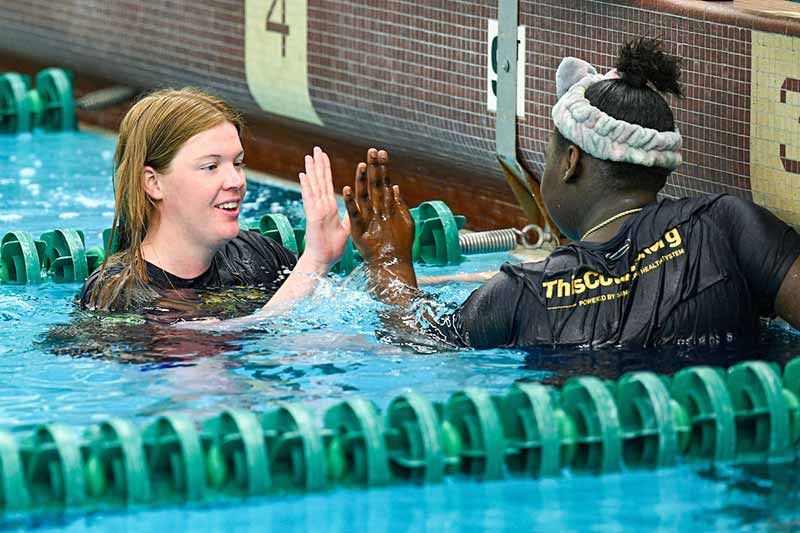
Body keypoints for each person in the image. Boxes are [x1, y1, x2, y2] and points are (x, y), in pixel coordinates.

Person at [344, 38, 800, 349]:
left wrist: (390, 263)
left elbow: (416, 343)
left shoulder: (518, 293)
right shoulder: (727, 225)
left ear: (571, 161)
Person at [81, 88, 350, 315]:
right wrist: (314, 262)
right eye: (210, 166)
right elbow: (198, 365)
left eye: (238, 163)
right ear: (153, 183)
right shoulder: (117, 295)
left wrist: (381, 258)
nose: (236, 181)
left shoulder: (256, 255)